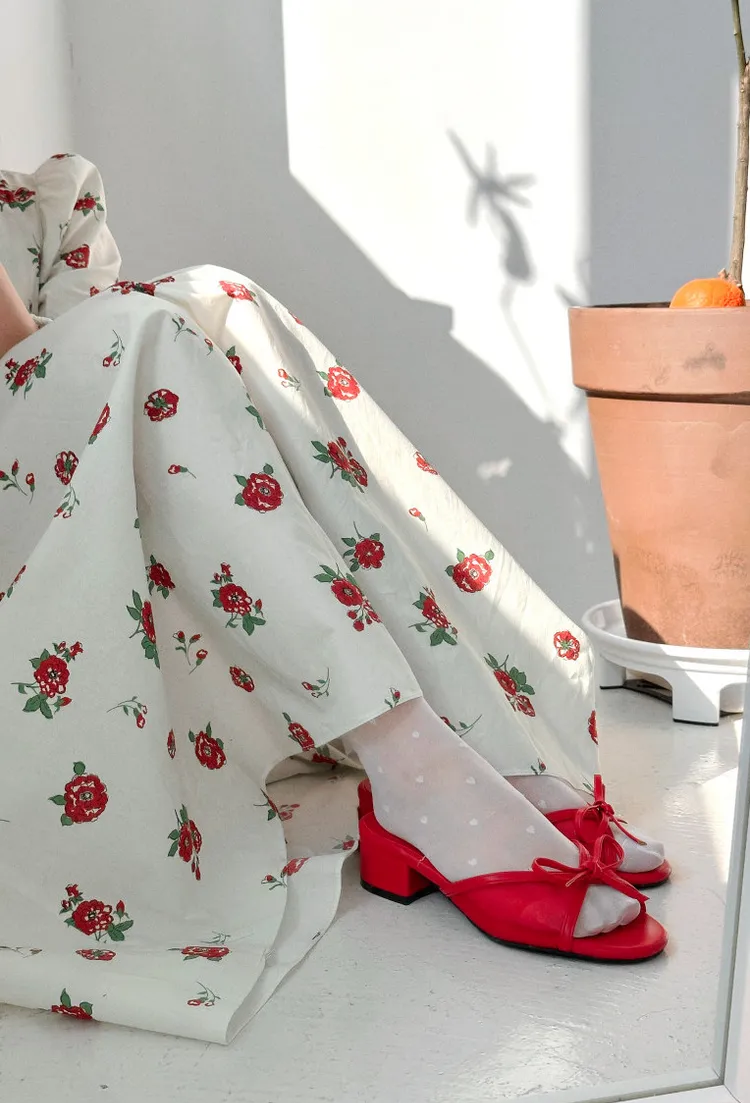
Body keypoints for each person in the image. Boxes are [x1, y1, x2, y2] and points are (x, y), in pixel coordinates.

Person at [0, 154, 669, 1043]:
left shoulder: (43, 196)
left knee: (221, 299)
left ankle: (472, 748)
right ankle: (418, 767)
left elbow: (69, 351)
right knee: (149, 337)